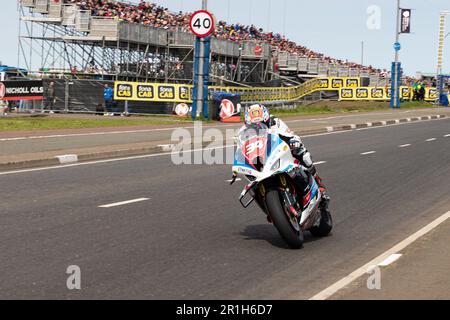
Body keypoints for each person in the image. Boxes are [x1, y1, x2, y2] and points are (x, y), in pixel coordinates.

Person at [243, 104, 329, 204]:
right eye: (253, 126)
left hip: (279, 151)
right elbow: (241, 149)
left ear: (266, 119)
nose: (258, 128)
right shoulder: (244, 132)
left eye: (261, 124)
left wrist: (293, 141)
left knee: (303, 155)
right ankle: (268, 208)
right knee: (252, 185)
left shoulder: (275, 122)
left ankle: (317, 182)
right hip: (261, 158)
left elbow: (289, 135)